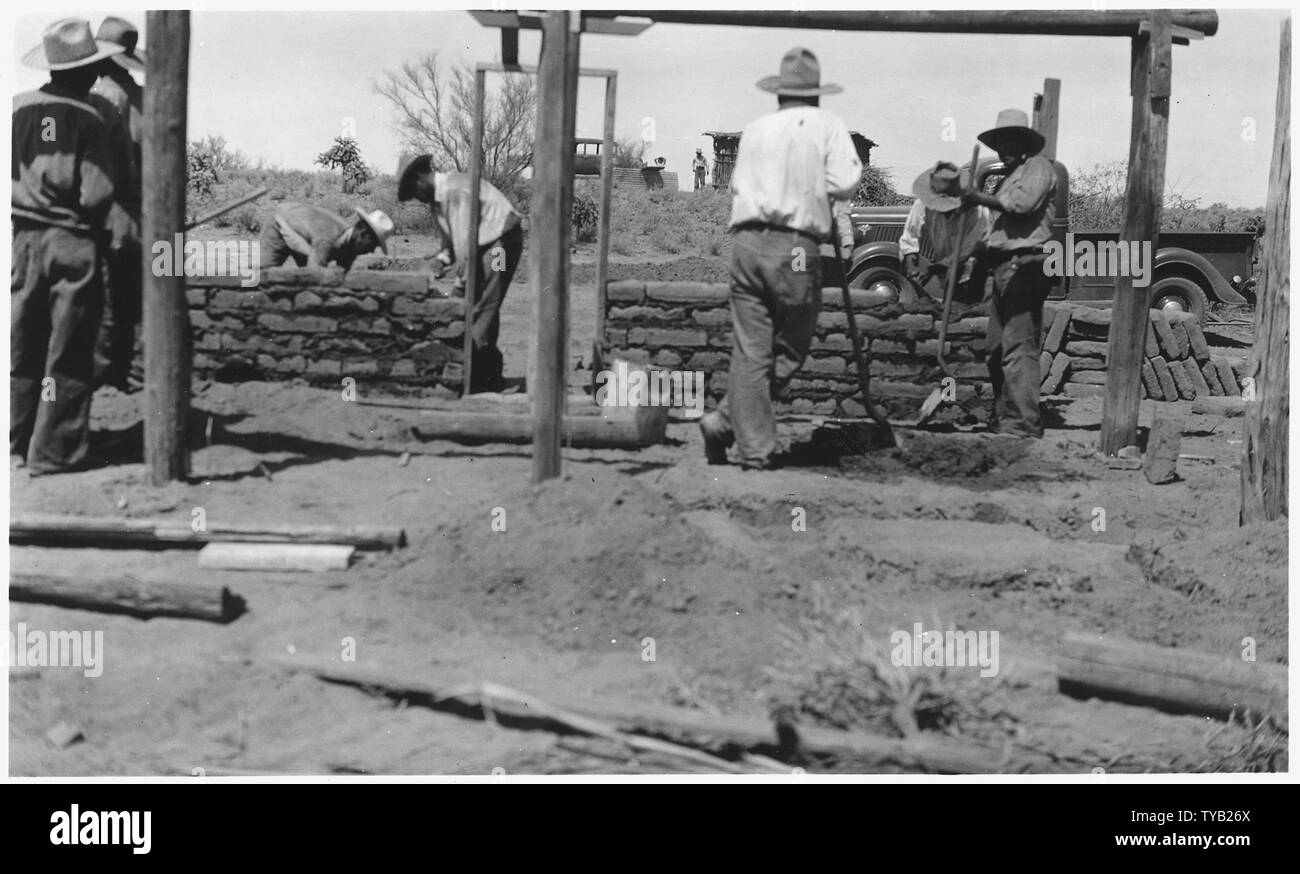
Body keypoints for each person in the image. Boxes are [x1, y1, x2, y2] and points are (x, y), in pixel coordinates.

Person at [698, 47, 862, 469]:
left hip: (747, 244)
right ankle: (744, 437)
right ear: (816, 96)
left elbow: (738, 185)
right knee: (791, 346)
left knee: (752, 350)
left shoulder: (755, 129)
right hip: (794, 248)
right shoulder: (826, 124)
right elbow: (845, 180)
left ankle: (730, 426)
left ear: (778, 94)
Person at [12, 19, 122, 474]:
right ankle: (53, 451)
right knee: (69, 350)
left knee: (21, 344)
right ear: (84, 72)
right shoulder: (90, 118)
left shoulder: (17, 109)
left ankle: (13, 445)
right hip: (71, 243)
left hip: (21, 241)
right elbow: (95, 194)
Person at [960, 108, 1058, 438]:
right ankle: (1005, 417)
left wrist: (980, 197)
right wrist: (973, 256)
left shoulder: (1039, 168)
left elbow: (1023, 206)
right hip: (1003, 267)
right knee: (995, 350)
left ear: (1025, 142)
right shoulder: (1005, 178)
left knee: (1019, 348)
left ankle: (1024, 424)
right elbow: (996, 231)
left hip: (1027, 264)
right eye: (1000, 143)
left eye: (1011, 141)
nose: (1005, 149)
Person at [395, 153, 523, 393]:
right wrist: (440, 262)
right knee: (478, 302)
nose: (417, 198)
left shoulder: (456, 189)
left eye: (414, 191)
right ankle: (487, 373)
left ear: (421, 177)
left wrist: (459, 287)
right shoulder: (437, 202)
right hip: (482, 243)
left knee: (486, 300)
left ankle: (473, 373)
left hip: (502, 241)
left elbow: (466, 247)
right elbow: (450, 245)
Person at [89, 16, 145, 392]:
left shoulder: (103, 96)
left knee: (104, 300)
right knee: (129, 298)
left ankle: (104, 373)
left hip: (111, 208)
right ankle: (123, 370)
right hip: (141, 212)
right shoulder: (144, 96)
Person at [899, 161, 989, 303]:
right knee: (950, 309)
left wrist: (932, 270)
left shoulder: (976, 211)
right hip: (948, 269)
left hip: (978, 267)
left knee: (970, 311)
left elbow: (967, 250)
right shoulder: (923, 203)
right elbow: (910, 235)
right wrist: (910, 262)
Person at [257, 202, 392, 271]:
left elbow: (340, 276)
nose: (373, 251)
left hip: (306, 239)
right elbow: (316, 274)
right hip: (281, 221)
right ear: (363, 235)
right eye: (373, 245)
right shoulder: (327, 238)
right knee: (262, 275)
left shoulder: (352, 246)